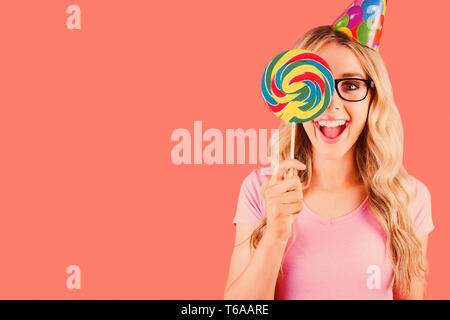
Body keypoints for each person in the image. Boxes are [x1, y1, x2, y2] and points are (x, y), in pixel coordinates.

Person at [223, 25, 434, 300]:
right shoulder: (261, 190)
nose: (331, 103)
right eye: (314, 86)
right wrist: (274, 236)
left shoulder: (408, 197)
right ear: (292, 96)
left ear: (373, 97)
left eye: (350, 85)